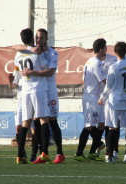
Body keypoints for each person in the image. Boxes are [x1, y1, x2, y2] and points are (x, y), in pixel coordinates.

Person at [22, 28, 65, 164]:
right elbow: (16, 47)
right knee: (36, 122)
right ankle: (39, 153)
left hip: (50, 91)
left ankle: (60, 153)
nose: (38, 40)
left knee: (52, 121)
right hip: (39, 90)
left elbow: (50, 72)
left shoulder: (53, 53)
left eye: (41, 38)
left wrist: (32, 72)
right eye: (37, 37)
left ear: (46, 39)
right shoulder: (33, 50)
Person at [98, 41, 126, 163]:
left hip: (115, 100)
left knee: (112, 128)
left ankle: (110, 156)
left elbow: (109, 86)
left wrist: (102, 98)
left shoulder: (114, 67)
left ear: (115, 52)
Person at [13, 28, 51, 164]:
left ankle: (20, 155)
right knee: (44, 120)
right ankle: (45, 153)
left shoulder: (18, 55)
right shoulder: (37, 53)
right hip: (38, 89)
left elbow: (17, 70)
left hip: (26, 91)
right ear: (32, 38)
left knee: (26, 123)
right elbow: (48, 71)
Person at [74, 38, 107, 162]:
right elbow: (103, 80)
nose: (106, 50)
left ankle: (94, 150)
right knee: (89, 125)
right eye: (105, 48)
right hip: (92, 97)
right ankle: (79, 152)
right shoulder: (97, 62)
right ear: (100, 49)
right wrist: (115, 87)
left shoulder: (89, 61)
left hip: (95, 96)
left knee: (101, 124)